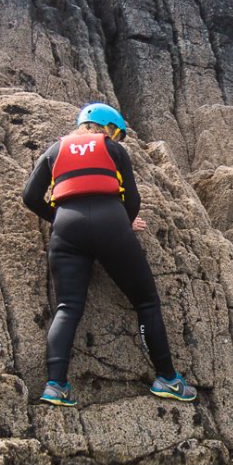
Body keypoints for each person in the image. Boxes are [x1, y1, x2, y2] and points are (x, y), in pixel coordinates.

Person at [20, 103, 197, 407]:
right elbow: (133, 197)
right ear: (106, 127)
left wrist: (61, 219)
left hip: (66, 229)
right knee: (146, 302)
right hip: (111, 224)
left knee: (67, 307)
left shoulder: (54, 150)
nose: (115, 137)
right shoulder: (113, 150)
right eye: (115, 132)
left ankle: (56, 386)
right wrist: (123, 223)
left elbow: (29, 196)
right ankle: (167, 379)